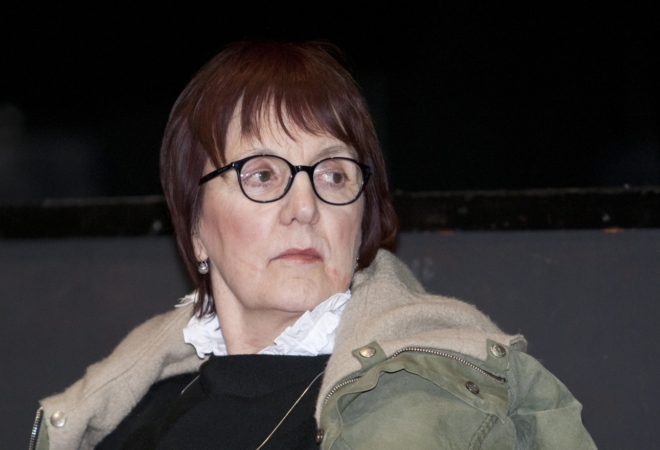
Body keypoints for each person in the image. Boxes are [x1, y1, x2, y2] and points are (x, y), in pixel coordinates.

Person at [31, 41, 597, 450]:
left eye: (332, 175)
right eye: (262, 174)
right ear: (196, 227)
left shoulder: (437, 401)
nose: (304, 206)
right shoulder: (127, 409)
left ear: (361, 217)